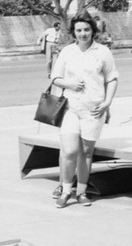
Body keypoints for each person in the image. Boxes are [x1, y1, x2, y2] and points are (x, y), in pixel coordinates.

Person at [50, 11, 118, 208]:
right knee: (70, 151)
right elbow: (55, 77)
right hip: (71, 108)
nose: (83, 34)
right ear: (74, 32)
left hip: (94, 110)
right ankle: (65, 190)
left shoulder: (103, 52)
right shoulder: (67, 52)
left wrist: (107, 103)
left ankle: (81, 192)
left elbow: (112, 78)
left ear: (93, 31)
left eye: (86, 29)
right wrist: (70, 84)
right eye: (79, 30)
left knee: (86, 153)